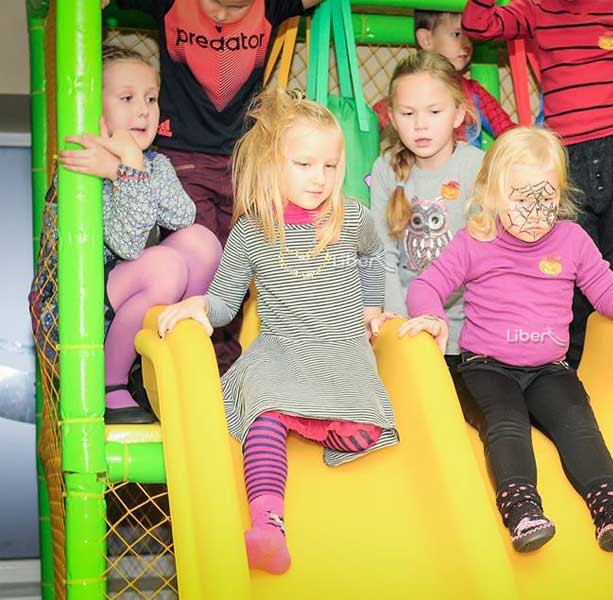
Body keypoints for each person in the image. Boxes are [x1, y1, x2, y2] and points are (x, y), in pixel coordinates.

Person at [157, 88, 398, 574]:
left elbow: (375, 257)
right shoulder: (253, 229)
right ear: (274, 163)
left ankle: (324, 421)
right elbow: (225, 302)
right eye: (305, 164)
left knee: (364, 428)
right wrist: (197, 308)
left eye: (330, 166)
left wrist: (374, 304)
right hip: (282, 351)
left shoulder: (350, 217)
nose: (320, 177)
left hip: (340, 352)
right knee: (262, 409)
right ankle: (269, 523)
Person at [400, 127, 613, 553]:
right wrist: (432, 316)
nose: (534, 210)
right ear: (490, 194)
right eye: (520, 196)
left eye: (545, 198)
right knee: (506, 422)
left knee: (578, 423)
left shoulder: (572, 240)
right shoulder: (476, 241)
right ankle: (522, 510)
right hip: (486, 368)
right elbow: (425, 286)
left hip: (549, 369)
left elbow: (604, 285)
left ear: (559, 197)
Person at [109, 0, 321, 374]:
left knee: (236, 265)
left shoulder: (270, 6)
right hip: (182, 158)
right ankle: (177, 363)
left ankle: (222, 369)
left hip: (243, 160)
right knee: (198, 259)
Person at [30, 45, 221, 424]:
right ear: (94, 110)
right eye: (127, 98)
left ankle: (155, 365)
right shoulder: (81, 161)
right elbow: (128, 243)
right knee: (164, 266)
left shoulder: (154, 163)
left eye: (151, 99)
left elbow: (183, 215)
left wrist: (130, 169)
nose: (143, 110)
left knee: (203, 242)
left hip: (121, 298)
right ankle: (110, 383)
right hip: (73, 314)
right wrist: (127, 167)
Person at [461, 0, 613, 369]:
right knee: (572, 262)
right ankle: (571, 364)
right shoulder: (536, 7)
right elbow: (479, 25)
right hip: (567, 154)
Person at [370, 51, 485, 382]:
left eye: (434, 111)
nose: (420, 124)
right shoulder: (386, 170)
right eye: (408, 113)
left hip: (468, 332)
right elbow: (383, 253)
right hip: (406, 326)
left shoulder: (476, 166)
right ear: (392, 116)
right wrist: (398, 321)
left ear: (457, 114)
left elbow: (487, 254)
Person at [372, 11, 514, 147]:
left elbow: (509, 132)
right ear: (426, 39)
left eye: (470, 36)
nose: (466, 43)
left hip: (467, 170)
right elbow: (368, 125)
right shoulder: (408, 91)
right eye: (457, 34)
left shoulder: (473, 92)